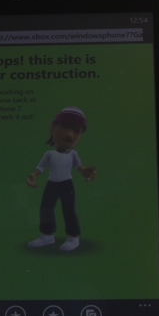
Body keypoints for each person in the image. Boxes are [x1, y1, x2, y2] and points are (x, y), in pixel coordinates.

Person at [26, 106, 97, 251]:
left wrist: (85, 171)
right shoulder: (49, 154)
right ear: (53, 128)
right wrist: (34, 175)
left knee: (68, 210)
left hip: (66, 185)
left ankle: (73, 237)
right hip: (51, 184)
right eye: (64, 127)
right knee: (46, 209)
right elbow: (41, 167)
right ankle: (47, 235)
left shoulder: (73, 154)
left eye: (76, 131)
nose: (70, 135)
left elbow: (79, 166)